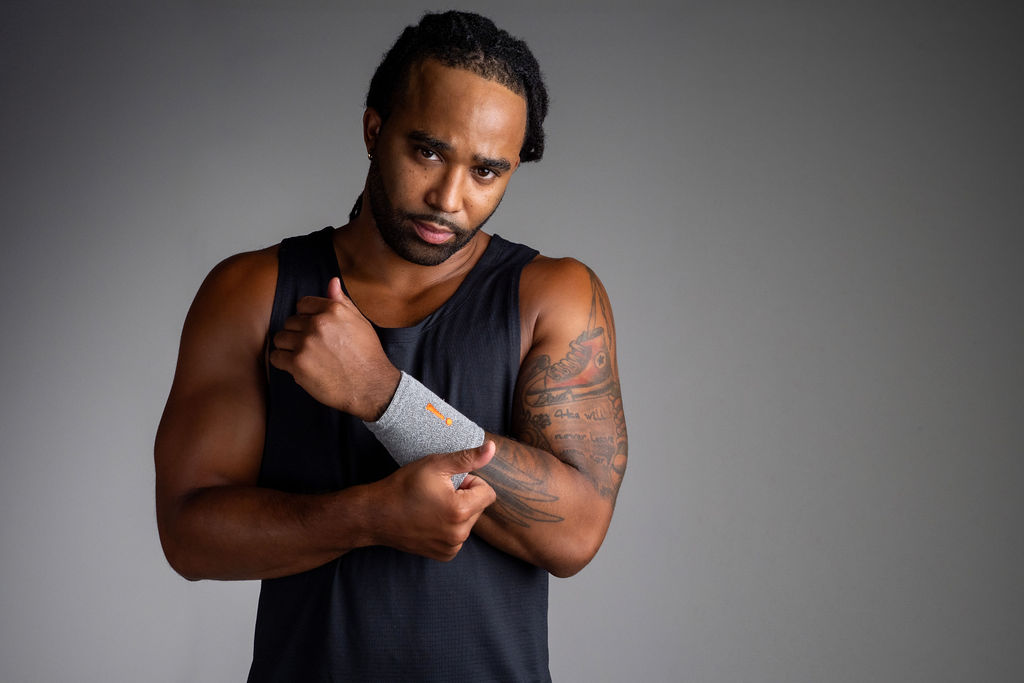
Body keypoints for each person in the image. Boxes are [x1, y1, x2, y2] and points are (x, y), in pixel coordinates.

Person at [155, 10, 627, 681]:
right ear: (375, 130)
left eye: (486, 172)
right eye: (427, 152)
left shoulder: (552, 296)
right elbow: (189, 535)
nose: (448, 198)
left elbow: (575, 533)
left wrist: (383, 393)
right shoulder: (253, 291)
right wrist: (372, 517)